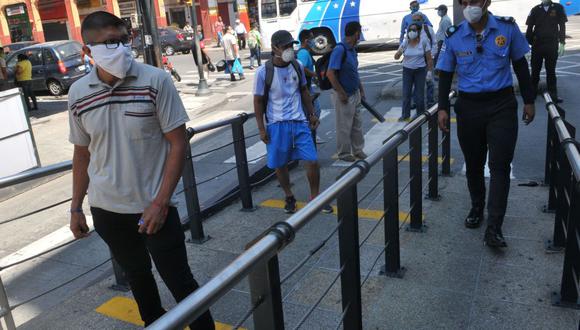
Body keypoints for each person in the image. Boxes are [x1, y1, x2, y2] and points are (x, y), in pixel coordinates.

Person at [67, 11, 215, 328]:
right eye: (109, 42)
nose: (120, 48)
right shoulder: (78, 94)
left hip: (154, 209)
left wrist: (161, 203)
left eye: (123, 39)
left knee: (181, 283)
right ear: (88, 50)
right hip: (107, 210)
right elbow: (82, 153)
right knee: (139, 279)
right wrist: (76, 207)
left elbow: (178, 143)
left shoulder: (156, 80)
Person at [437, 0, 536, 248]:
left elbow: (521, 65)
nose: (471, 5)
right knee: (474, 163)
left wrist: (529, 100)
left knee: (500, 165)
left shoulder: (507, 28)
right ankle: (477, 207)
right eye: (465, 1)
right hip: (469, 108)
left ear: (487, 1)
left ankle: (494, 227)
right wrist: (442, 108)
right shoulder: (454, 35)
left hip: (501, 105)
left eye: (475, 0)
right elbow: (446, 74)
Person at [253, 30, 332, 214]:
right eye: (285, 46)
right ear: (274, 48)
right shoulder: (263, 72)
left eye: (291, 45)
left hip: (299, 121)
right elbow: (258, 101)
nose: (290, 49)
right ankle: (289, 196)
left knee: (312, 160)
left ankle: (315, 197)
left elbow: (304, 91)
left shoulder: (296, 65)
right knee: (280, 164)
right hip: (276, 124)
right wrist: (261, 128)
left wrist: (312, 114)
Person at [327, 21, 366, 163]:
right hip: (344, 95)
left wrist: (361, 90)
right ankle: (344, 153)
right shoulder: (340, 49)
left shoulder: (352, 49)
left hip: (354, 93)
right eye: (359, 33)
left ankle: (358, 150)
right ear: (356, 33)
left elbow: (354, 71)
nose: (359, 36)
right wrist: (341, 92)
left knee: (357, 124)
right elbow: (330, 73)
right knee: (344, 126)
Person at [526, 0, 567, 103]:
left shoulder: (558, 8)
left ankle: (553, 95)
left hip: (551, 45)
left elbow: (562, 26)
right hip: (538, 45)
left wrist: (562, 42)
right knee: (535, 70)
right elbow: (529, 28)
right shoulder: (535, 9)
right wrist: (527, 45)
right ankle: (532, 94)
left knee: (551, 71)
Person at [395, 23, 433, 121]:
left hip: (420, 70)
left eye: (414, 30)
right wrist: (399, 52)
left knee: (419, 94)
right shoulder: (405, 42)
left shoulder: (424, 42)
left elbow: (429, 58)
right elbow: (396, 56)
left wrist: (429, 71)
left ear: (419, 31)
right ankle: (405, 115)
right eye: (410, 30)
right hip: (407, 70)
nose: (412, 32)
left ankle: (420, 115)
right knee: (406, 93)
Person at [297, 29, 322, 143]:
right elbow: (301, 68)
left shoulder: (306, 52)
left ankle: (312, 136)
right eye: (312, 38)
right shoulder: (303, 53)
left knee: (314, 112)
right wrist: (314, 74)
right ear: (306, 41)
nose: (314, 41)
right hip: (305, 89)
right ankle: (310, 137)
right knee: (314, 112)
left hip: (308, 87)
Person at [410, 12, 437, 107]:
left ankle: (430, 101)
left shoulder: (428, 29)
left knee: (430, 81)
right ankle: (415, 102)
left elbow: (434, 43)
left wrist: (431, 55)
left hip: (427, 60)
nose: (416, 22)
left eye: (418, 20)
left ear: (422, 20)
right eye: (414, 20)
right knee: (415, 82)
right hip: (416, 61)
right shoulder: (411, 31)